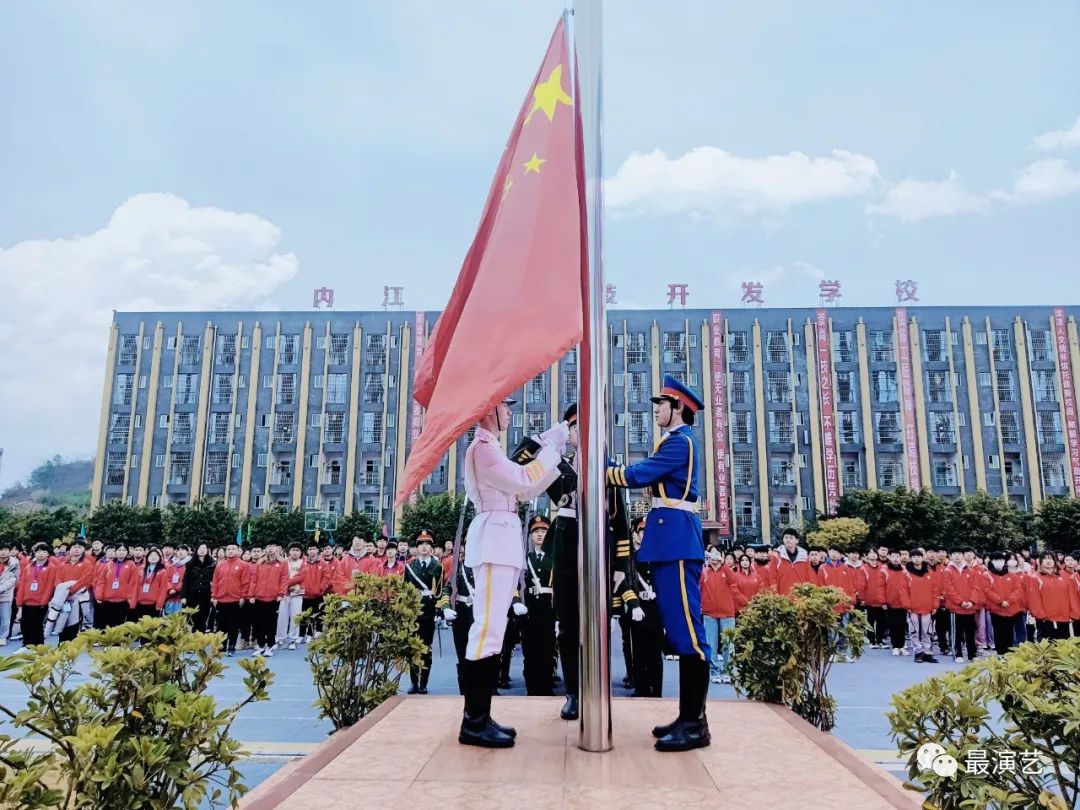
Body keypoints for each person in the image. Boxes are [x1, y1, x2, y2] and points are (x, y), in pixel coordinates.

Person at [606, 373, 711, 752]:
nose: (656, 410)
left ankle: (695, 725)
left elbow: (641, 474)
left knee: (688, 632)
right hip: (669, 539)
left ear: (677, 408)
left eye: (661, 405)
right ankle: (688, 717)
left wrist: (605, 470)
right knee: (679, 631)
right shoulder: (675, 441)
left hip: (677, 540)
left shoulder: (680, 442)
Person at [457, 395, 567, 749]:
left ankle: (481, 716)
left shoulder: (491, 447)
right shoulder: (483, 448)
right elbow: (521, 479)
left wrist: (549, 449)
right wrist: (550, 447)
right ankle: (474, 721)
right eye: (505, 406)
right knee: (487, 630)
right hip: (493, 539)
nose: (509, 412)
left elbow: (527, 489)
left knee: (493, 630)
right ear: (489, 409)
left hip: (500, 539)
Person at [534, 403, 582, 720]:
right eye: (574, 428)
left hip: (598, 551)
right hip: (566, 549)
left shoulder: (606, 465)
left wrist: (621, 566)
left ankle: (596, 686)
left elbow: (618, 518)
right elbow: (524, 458)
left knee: (597, 625)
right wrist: (550, 441)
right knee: (567, 627)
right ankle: (573, 692)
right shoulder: (557, 466)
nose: (580, 432)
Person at [519, 516, 557, 696]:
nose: (540, 535)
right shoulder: (524, 560)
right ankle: (532, 689)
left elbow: (560, 590)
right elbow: (518, 585)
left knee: (547, 651)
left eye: (544, 531)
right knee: (530, 652)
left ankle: (546, 688)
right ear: (531, 536)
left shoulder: (555, 559)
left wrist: (559, 617)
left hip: (549, 611)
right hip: (529, 612)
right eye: (536, 532)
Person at [404, 530, 443, 695]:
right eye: (421, 544)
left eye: (427, 544)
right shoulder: (410, 566)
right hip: (414, 611)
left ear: (431, 547)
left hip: (429, 610)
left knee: (426, 648)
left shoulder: (437, 566)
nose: (424, 547)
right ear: (417, 547)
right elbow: (405, 590)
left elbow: (439, 591)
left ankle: (423, 683)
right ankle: (414, 682)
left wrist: (439, 610)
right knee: (413, 647)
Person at [701, 545, 742, 684]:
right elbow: (698, 587)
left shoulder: (727, 570)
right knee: (711, 645)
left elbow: (733, 580)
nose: (714, 557)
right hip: (709, 613)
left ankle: (727, 671)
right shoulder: (705, 571)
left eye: (717, 554)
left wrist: (723, 564)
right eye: (712, 555)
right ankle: (714, 671)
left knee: (728, 644)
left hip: (727, 613)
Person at [438, 553, 477, 696]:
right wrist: (446, 607)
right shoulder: (458, 569)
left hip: (480, 615)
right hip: (461, 616)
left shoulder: (485, 568)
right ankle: (464, 691)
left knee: (482, 655)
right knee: (462, 654)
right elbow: (447, 590)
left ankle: (485, 689)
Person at [1026, 552, 1079, 641]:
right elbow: (1033, 599)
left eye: (1050, 558)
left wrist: (1074, 613)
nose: (1048, 561)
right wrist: (1041, 616)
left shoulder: (1065, 576)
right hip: (1045, 620)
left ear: (1055, 561)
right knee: (1047, 647)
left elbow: (1072, 596)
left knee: (1063, 646)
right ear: (1040, 561)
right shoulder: (1035, 577)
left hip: (1064, 618)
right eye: (1045, 559)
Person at [212, 542, 252, 657]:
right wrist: (214, 596)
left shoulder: (244, 565)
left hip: (235, 600)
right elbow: (215, 582)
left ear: (238, 551)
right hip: (221, 599)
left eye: (233, 549)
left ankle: (232, 646)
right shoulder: (220, 565)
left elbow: (245, 583)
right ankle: (221, 646)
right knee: (221, 625)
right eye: (228, 549)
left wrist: (243, 597)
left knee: (233, 625)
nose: (230, 551)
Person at [943, 547, 981, 663]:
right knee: (956, 633)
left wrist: (972, 601)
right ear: (950, 556)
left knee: (970, 632)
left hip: (969, 607)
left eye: (959, 554)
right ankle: (957, 653)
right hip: (955, 608)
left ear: (963, 556)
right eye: (954, 554)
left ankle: (972, 654)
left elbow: (976, 587)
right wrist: (961, 602)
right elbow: (949, 589)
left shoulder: (970, 570)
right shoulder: (948, 571)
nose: (957, 556)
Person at [15, 543, 58, 646]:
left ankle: (38, 646)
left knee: (37, 625)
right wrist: (19, 601)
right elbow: (22, 584)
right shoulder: (29, 566)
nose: (40, 554)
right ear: (35, 553)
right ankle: (27, 645)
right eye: (38, 551)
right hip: (27, 601)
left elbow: (50, 586)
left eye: (43, 551)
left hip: (40, 602)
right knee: (25, 624)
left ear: (48, 554)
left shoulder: (51, 567)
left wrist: (44, 601)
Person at [249, 545, 287, 656]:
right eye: (268, 547)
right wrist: (251, 595)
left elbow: (284, 579)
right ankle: (261, 646)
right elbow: (254, 580)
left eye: (273, 547)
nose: (270, 549)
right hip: (259, 596)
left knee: (271, 623)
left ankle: (270, 646)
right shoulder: (260, 562)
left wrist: (281, 594)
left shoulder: (282, 563)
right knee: (259, 623)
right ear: (265, 549)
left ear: (277, 549)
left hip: (274, 597)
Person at [56, 538, 95, 641]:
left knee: (75, 622)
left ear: (84, 550)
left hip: (78, 597)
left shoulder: (87, 563)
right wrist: (62, 592)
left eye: (80, 547)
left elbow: (84, 580)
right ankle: (62, 644)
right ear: (70, 549)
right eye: (74, 547)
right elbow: (57, 579)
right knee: (62, 621)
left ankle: (72, 645)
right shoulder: (63, 564)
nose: (76, 549)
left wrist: (71, 592)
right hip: (63, 597)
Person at [984, 551, 1023, 654]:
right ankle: (1000, 653)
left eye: (1001, 559)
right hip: (996, 609)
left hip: (1010, 609)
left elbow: (1018, 590)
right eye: (996, 560)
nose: (999, 562)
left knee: (1009, 632)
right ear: (991, 561)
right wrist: (1000, 601)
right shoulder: (987, 575)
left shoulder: (1012, 575)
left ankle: (1008, 654)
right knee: (998, 632)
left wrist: (1009, 601)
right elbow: (987, 590)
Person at [906, 549, 940, 663]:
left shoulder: (929, 572)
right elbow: (903, 590)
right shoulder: (906, 573)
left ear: (923, 558)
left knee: (927, 631)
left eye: (918, 556)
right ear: (911, 559)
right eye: (914, 557)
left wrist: (935, 605)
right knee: (914, 631)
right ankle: (918, 652)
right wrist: (907, 605)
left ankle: (927, 652)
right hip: (912, 608)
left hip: (927, 607)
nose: (916, 559)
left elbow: (935, 590)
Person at [94, 544, 137, 629]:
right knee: (107, 623)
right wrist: (99, 595)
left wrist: (130, 598)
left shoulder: (131, 564)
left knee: (119, 624)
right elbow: (101, 581)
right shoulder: (109, 564)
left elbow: (133, 582)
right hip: (107, 600)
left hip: (123, 600)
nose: (121, 552)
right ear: (116, 552)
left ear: (127, 552)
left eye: (124, 550)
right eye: (119, 550)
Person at [295, 543, 329, 642]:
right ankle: (301, 635)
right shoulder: (304, 563)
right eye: (310, 549)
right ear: (307, 551)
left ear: (317, 550)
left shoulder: (323, 563)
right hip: (306, 595)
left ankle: (310, 634)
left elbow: (326, 578)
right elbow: (300, 576)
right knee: (304, 615)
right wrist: (302, 588)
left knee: (316, 615)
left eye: (313, 549)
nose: (312, 551)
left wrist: (321, 589)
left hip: (318, 595)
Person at [883, 549, 911, 656]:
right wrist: (882, 601)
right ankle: (895, 646)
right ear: (889, 557)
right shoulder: (884, 570)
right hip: (890, 602)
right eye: (893, 556)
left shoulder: (905, 570)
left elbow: (909, 586)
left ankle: (902, 646)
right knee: (893, 625)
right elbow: (880, 587)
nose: (895, 559)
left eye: (897, 556)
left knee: (902, 624)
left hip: (903, 602)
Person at [277, 543, 305, 650]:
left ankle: (293, 639)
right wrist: (285, 586)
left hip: (297, 593)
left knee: (295, 617)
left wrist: (287, 584)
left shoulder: (303, 563)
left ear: (301, 553)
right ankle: (280, 639)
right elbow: (279, 576)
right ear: (289, 551)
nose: (295, 552)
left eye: (297, 550)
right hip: (284, 593)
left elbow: (302, 576)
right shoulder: (284, 562)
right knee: (282, 616)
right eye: (293, 550)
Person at [772, 529, 813, 596]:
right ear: (783, 540)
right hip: (783, 595)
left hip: (800, 596)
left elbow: (809, 576)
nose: (788, 540)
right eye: (786, 537)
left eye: (791, 538)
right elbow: (772, 577)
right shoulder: (776, 556)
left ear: (797, 540)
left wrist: (808, 593)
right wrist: (775, 593)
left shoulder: (804, 556)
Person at [184, 544, 215, 632]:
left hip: (206, 595)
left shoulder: (212, 564)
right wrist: (183, 596)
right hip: (192, 596)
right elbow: (185, 581)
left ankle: (200, 638)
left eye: (204, 548)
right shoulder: (190, 564)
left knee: (202, 619)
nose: (202, 550)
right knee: (191, 619)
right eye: (200, 548)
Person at [861, 550, 889, 648]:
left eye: (874, 557)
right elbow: (861, 585)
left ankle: (880, 639)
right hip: (869, 599)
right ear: (867, 557)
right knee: (870, 621)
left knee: (882, 621)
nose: (873, 559)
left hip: (881, 599)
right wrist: (863, 598)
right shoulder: (863, 568)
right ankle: (872, 641)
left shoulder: (883, 568)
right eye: (871, 557)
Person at [131, 547, 166, 621]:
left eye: (156, 555)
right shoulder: (141, 569)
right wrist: (133, 603)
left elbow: (163, 590)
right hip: (140, 603)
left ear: (159, 558)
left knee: (151, 625)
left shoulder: (162, 571)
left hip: (153, 604)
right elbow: (136, 586)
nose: (153, 557)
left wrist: (159, 605)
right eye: (151, 555)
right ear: (147, 557)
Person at [162, 545, 191, 616]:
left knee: (179, 619)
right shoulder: (172, 565)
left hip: (182, 596)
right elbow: (167, 579)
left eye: (183, 550)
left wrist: (176, 589)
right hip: (170, 596)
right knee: (167, 618)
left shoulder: (190, 565)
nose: (180, 552)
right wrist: (170, 588)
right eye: (178, 550)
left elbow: (186, 580)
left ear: (187, 552)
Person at [0, 542, 19, 646]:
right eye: (1, 550)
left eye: (6, 550)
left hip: (5, 595)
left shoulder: (14, 563)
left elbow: (13, 580)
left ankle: (2, 637)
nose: (3, 552)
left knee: (5, 618)